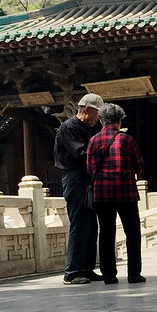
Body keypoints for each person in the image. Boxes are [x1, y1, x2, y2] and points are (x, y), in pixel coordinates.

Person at [87, 102, 146, 285]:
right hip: (126, 193)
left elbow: (89, 168)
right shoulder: (127, 140)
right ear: (119, 121)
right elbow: (139, 167)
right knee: (132, 233)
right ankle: (134, 274)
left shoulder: (93, 141)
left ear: (101, 121)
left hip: (102, 195)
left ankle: (109, 275)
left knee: (106, 233)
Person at [54, 93, 103, 285]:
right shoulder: (69, 127)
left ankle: (87, 268)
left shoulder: (95, 126)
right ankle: (72, 271)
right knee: (79, 223)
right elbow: (81, 153)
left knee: (92, 225)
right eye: (97, 114)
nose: (98, 119)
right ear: (87, 110)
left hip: (90, 178)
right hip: (74, 177)